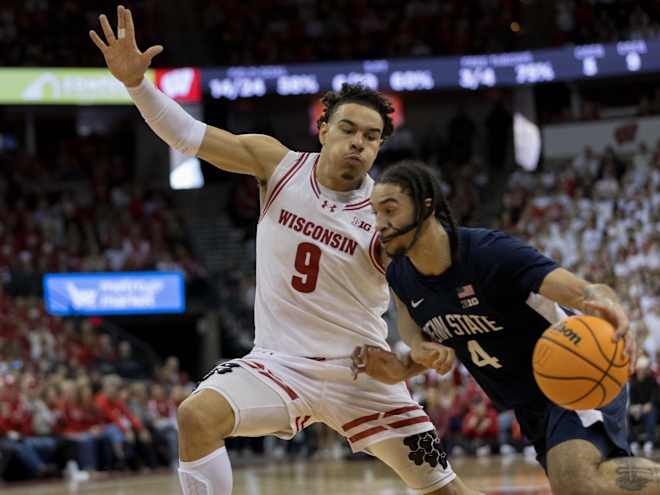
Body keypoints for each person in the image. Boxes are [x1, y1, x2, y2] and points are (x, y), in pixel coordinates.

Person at [90, 6, 481, 495]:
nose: (359, 143)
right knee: (196, 416)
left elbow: (406, 297)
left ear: (380, 148)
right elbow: (188, 137)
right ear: (323, 129)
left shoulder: (388, 213)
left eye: (372, 136)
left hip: (361, 372)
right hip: (277, 364)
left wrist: (410, 352)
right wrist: (137, 86)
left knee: (446, 490)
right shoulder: (277, 166)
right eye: (348, 129)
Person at [353, 161, 660, 494]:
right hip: (528, 401)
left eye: (390, 211)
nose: (379, 224)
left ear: (426, 205)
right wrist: (412, 355)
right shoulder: (400, 274)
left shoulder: (489, 253)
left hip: (575, 368)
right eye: (375, 213)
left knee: (577, 481)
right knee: (585, 485)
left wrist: (610, 304)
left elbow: (584, 291)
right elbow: (411, 324)